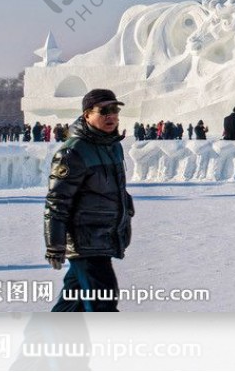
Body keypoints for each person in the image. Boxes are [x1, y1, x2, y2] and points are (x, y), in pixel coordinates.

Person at [44, 89, 134, 311]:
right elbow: (57, 202)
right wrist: (55, 245)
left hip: (104, 236)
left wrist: (126, 208)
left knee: (71, 304)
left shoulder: (112, 146)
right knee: (103, 303)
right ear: (86, 115)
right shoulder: (73, 152)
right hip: (85, 240)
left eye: (114, 110)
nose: (111, 116)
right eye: (104, 111)